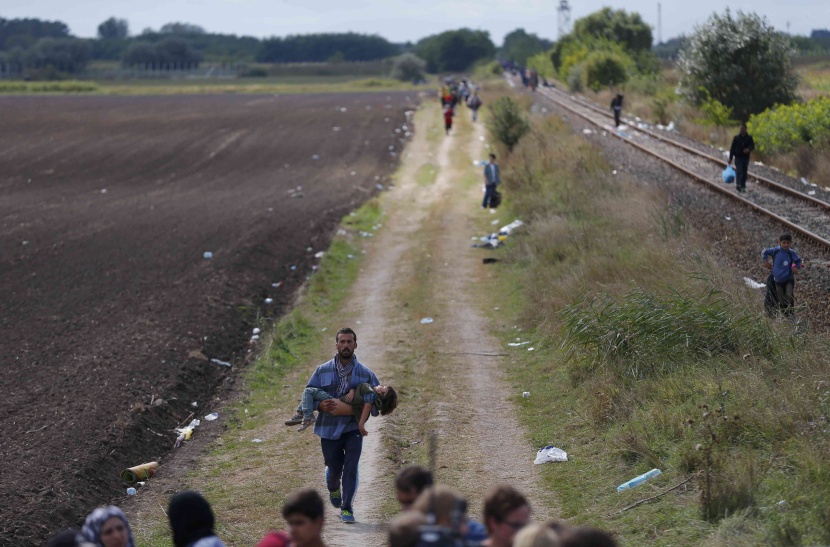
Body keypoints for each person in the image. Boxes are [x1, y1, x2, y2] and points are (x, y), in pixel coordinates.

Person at [284, 327, 379, 524]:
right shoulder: (322, 370)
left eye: (349, 342)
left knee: (351, 467)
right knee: (335, 469)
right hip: (328, 430)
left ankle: (347, 508)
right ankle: (333, 485)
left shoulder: (366, 374)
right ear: (336, 345)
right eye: (342, 342)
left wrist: (364, 405)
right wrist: (320, 405)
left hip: (352, 429)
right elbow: (308, 395)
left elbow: (378, 405)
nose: (346, 346)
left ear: (355, 345)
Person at [292, 381, 397, 433]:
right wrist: (351, 391)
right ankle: (300, 413)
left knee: (309, 391)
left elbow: (367, 407)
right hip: (336, 407)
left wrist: (361, 424)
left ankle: (307, 416)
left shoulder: (370, 395)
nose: (380, 384)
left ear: (382, 394)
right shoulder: (369, 398)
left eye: (382, 387)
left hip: (334, 402)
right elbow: (358, 395)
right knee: (311, 396)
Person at [761, 233, 804, 316]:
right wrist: (765, 261)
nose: (786, 245)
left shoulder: (791, 253)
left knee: (788, 295)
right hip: (776, 278)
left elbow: (799, 261)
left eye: (788, 243)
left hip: (787, 278)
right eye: (784, 242)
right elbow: (764, 251)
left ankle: (788, 315)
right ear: (779, 242)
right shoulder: (776, 250)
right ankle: (771, 313)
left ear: (790, 243)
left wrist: (796, 267)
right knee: (774, 294)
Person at [729, 123, 755, 193]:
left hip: (745, 158)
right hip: (738, 157)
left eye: (742, 129)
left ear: (745, 129)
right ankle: (738, 184)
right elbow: (732, 148)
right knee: (739, 170)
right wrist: (730, 158)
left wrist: (748, 149)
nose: (741, 130)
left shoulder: (749, 138)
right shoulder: (736, 138)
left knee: (744, 172)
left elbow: (752, 146)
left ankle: (743, 185)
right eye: (740, 129)